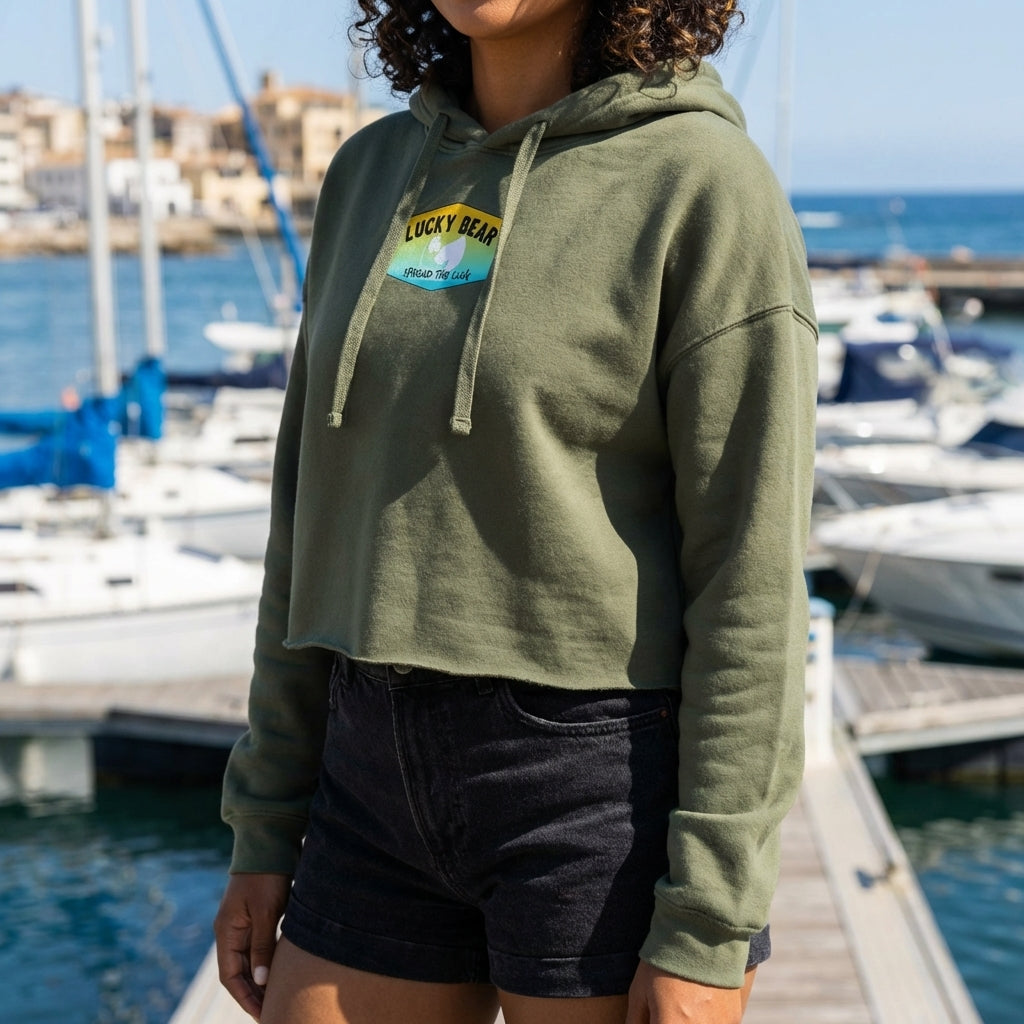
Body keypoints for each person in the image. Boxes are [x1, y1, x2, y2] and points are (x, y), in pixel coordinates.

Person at [213, 0, 818, 1021]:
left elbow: (749, 583)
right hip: (366, 774)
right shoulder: (370, 174)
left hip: (591, 785)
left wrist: (708, 923)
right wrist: (266, 818)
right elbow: (304, 517)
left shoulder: (703, 186)